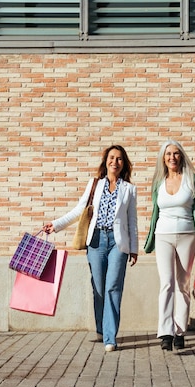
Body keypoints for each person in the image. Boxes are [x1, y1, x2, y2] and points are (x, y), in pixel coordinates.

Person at [43, 145, 138, 353]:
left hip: (118, 243)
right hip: (95, 241)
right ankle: (101, 328)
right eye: (112, 158)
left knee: (113, 287)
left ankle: (110, 337)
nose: (115, 162)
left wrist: (134, 248)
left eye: (119, 159)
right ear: (106, 161)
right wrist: (56, 224)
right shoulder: (95, 184)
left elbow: (132, 221)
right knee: (99, 288)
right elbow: (79, 210)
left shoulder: (129, 189)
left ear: (124, 164)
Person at [144, 140, 195, 351]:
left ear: (181, 156)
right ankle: (165, 332)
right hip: (163, 235)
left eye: (176, 153)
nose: (172, 157)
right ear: (163, 158)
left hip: (187, 235)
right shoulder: (158, 181)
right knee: (166, 283)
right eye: (168, 154)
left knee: (182, 285)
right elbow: (155, 212)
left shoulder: (192, 179)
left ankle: (179, 331)